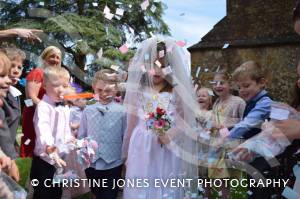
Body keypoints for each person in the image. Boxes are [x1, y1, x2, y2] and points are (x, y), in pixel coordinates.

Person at [122, 37, 199, 199]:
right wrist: (127, 152)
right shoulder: (139, 90)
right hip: (141, 146)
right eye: (153, 65)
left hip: (167, 147)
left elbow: (186, 121)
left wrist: (171, 134)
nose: (157, 71)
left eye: (162, 66)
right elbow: (131, 123)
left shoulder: (175, 92)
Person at [78, 69, 126, 199]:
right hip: (91, 164)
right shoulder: (88, 110)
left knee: (109, 195)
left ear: (116, 90)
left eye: (108, 91)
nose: (104, 94)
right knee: (96, 193)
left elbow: (125, 137)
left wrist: (124, 160)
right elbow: (82, 135)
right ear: (94, 87)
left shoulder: (122, 111)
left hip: (113, 163)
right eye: (100, 90)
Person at [228, 60, 273, 199]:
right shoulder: (252, 101)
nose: (242, 91)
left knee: (261, 192)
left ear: (261, 82)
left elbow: (247, 124)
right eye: (239, 87)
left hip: (265, 157)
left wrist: (226, 137)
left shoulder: (265, 102)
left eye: (246, 86)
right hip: (253, 155)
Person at [30, 67, 72, 199]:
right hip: (44, 161)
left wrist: (71, 138)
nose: (60, 89)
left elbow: (65, 129)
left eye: (64, 85)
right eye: (55, 85)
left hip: (59, 160)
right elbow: (43, 127)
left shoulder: (64, 107)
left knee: (56, 192)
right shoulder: (43, 106)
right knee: (43, 194)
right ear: (44, 85)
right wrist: (48, 146)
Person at [20, 46, 62, 157]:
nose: (55, 60)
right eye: (52, 56)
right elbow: (30, 97)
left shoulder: (53, 77)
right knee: (32, 145)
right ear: (44, 57)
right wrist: (48, 110)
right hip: (34, 114)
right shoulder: (37, 73)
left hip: (46, 115)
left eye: (58, 57)